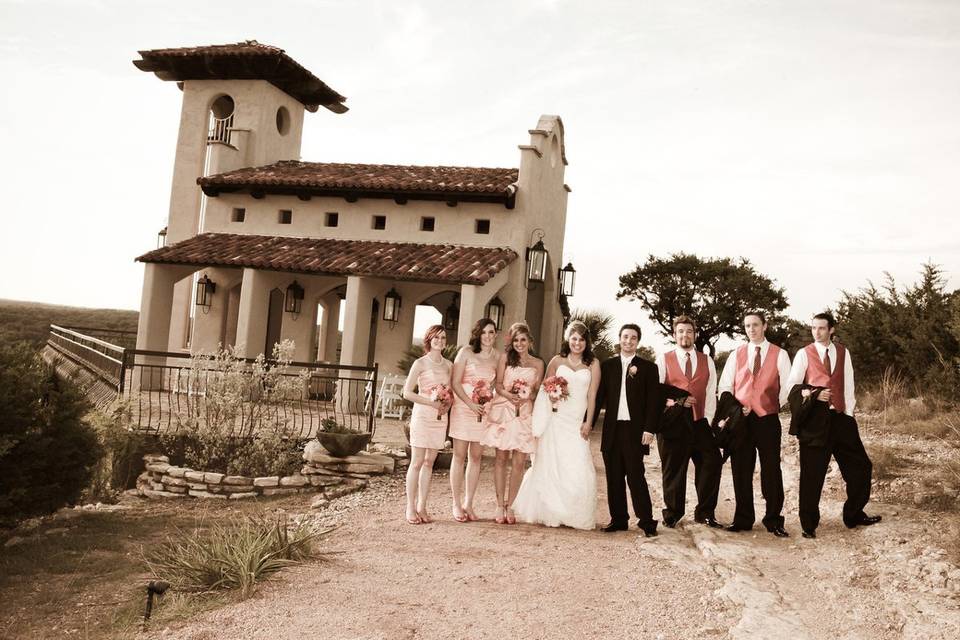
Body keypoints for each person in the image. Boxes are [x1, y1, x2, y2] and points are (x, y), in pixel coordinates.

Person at [786, 312, 880, 538]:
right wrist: (815, 394)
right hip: (815, 422)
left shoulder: (842, 352)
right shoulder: (803, 354)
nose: (816, 333)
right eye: (813, 328)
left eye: (821, 328)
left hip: (841, 419)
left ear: (831, 330)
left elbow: (848, 384)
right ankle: (808, 524)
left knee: (861, 467)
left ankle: (854, 514)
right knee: (812, 474)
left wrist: (848, 413)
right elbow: (792, 387)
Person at [513, 321, 601, 530]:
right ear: (568, 340)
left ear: (586, 342)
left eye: (581, 339)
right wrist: (550, 398)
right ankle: (551, 512)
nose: (577, 343)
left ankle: (572, 513)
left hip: (576, 421)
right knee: (552, 463)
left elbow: (592, 395)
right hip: (556, 419)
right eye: (573, 338)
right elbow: (544, 388)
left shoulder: (593, 364)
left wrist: (589, 422)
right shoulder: (556, 360)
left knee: (576, 463)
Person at [717, 311, 791, 537]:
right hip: (741, 421)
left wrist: (770, 406)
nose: (751, 329)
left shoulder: (780, 354)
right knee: (741, 469)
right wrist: (736, 409)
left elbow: (787, 387)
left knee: (771, 470)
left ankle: (773, 519)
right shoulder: (736, 354)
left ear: (765, 326)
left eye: (756, 325)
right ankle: (743, 519)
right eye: (747, 325)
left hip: (767, 420)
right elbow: (726, 386)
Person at [593, 323, 662, 536]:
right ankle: (619, 519)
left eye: (633, 338)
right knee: (613, 477)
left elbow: (653, 402)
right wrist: (588, 423)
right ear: (619, 339)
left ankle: (647, 522)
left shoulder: (649, 368)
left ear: (638, 341)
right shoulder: (608, 366)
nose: (628, 341)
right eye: (625, 337)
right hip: (612, 429)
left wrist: (649, 429)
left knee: (635, 476)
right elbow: (598, 399)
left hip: (634, 430)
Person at [655, 315, 722, 529]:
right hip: (673, 424)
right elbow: (657, 391)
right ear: (674, 335)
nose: (685, 335)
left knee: (711, 463)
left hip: (699, 421)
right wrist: (677, 401)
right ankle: (673, 513)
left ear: (695, 334)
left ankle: (705, 513)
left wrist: (708, 421)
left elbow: (711, 393)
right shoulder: (663, 359)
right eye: (681, 331)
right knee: (674, 469)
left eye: (689, 331)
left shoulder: (706, 360)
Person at [481, 322, 544, 524]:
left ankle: (511, 506)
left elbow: (538, 391)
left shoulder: (538, 364)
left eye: (523, 340)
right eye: (516, 340)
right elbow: (498, 385)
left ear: (530, 341)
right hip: (505, 411)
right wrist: (510, 395)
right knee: (501, 459)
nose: (519, 344)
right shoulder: (505, 359)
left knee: (518, 462)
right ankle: (500, 505)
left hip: (525, 413)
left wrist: (527, 395)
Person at [448, 318, 499, 522]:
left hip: (482, 411)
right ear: (478, 334)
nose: (488, 336)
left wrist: (487, 401)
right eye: (484, 332)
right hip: (463, 407)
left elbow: (495, 384)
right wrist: (470, 403)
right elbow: (455, 382)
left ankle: (469, 503)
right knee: (459, 456)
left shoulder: (498, 357)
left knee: (476, 456)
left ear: (495, 334)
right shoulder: (466, 352)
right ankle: (456, 503)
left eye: (491, 332)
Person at [402, 325, 453, 525]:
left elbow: (451, 391)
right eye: (436, 337)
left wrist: (446, 405)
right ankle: (410, 506)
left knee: (429, 462)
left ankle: (422, 506)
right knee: (417, 462)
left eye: (443, 337)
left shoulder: (449, 365)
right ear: (429, 340)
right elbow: (407, 392)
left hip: (440, 419)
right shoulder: (420, 363)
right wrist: (430, 402)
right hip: (423, 415)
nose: (440, 341)